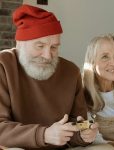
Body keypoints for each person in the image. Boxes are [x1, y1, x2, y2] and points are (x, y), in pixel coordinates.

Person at [0, 4, 98, 150]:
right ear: (20, 44)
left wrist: (83, 135)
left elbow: (78, 123)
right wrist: (44, 135)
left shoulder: (71, 71)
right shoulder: (3, 65)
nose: (47, 56)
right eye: (40, 46)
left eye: (54, 47)